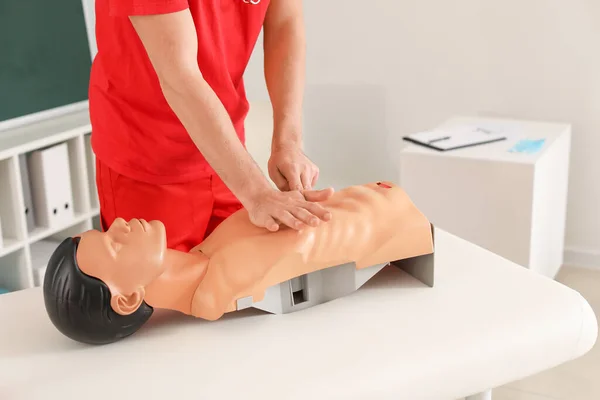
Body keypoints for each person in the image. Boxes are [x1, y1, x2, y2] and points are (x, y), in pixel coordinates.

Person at [43, 182, 434, 345]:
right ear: (127, 300)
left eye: (109, 230)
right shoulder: (229, 279)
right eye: (114, 245)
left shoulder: (211, 255)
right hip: (398, 215)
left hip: (386, 206)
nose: (122, 225)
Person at [89, 0, 332, 252]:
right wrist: (257, 193)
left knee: (232, 283)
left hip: (228, 150)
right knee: (159, 289)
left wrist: (288, 142)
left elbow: (285, 23)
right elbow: (178, 75)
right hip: (147, 157)